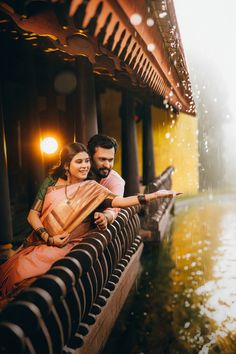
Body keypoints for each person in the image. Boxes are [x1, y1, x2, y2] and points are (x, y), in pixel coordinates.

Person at [0, 142, 181, 296]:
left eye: (87, 161)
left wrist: (155, 195)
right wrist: (47, 237)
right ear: (66, 165)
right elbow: (33, 214)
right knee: (13, 269)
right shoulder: (51, 182)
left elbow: (121, 201)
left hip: (67, 245)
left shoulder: (92, 189)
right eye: (79, 162)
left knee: (26, 275)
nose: (85, 165)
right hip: (40, 240)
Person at [87, 134, 125, 229]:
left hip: (94, 236)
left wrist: (105, 217)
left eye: (111, 160)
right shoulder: (79, 174)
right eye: (102, 159)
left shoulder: (116, 181)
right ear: (90, 157)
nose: (107, 165)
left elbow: (114, 209)